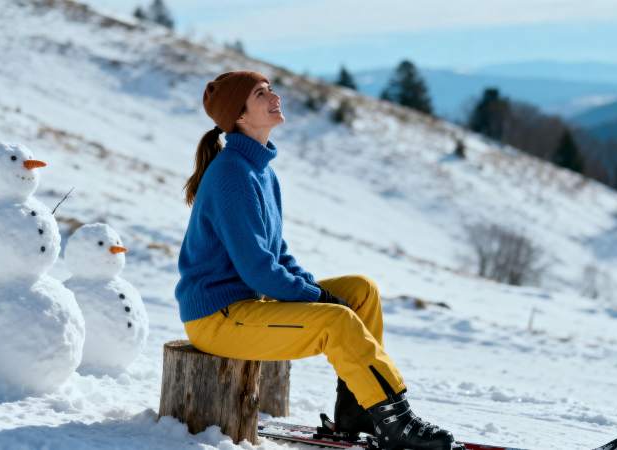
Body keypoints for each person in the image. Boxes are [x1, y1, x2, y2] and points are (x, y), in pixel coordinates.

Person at [175, 71, 455, 450]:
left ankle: (359, 410)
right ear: (239, 115)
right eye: (261, 94)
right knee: (336, 321)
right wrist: (319, 298)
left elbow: (277, 253)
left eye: (271, 89)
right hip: (218, 319)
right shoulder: (231, 174)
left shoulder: (261, 171)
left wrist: (313, 288)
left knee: (360, 291)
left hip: (246, 306)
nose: (275, 97)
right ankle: (396, 422)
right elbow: (258, 270)